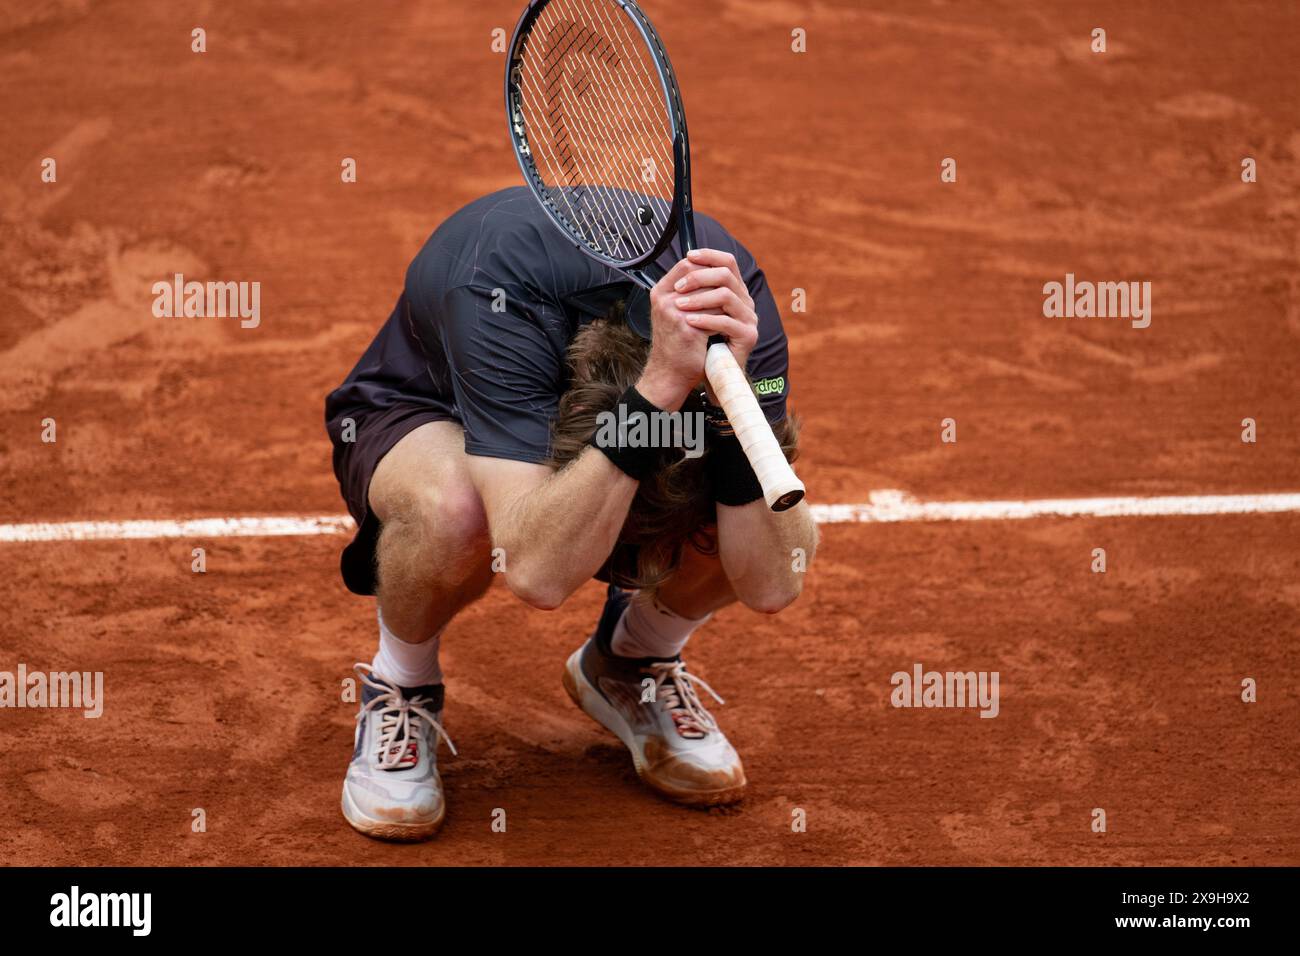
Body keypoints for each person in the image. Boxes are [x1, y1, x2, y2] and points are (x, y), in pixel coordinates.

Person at [325, 187, 816, 841]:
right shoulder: (497, 285)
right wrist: (664, 384)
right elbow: (538, 574)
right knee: (458, 514)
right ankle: (402, 682)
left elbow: (774, 578)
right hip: (426, 411)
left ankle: (631, 660)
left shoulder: (731, 300)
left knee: (745, 506)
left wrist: (727, 413)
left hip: (626, 410)